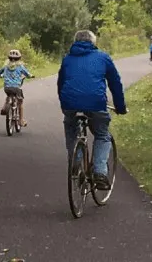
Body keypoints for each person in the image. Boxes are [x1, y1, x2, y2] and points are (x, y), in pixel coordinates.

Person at [57, 30, 127, 190]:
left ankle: (75, 163)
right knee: (102, 134)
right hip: (96, 103)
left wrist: (65, 105)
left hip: (70, 104)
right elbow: (115, 84)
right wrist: (121, 107)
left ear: (75, 42)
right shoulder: (103, 58)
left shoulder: (67, 59)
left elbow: (60, 84)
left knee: (71, 127)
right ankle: (100, 173)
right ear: (93, 42)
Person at [0, 49, 34, 127]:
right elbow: (27, 74)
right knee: (20, 102)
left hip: (7, 88)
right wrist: (31, 76)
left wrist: (0, 76)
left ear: (9, 58)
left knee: (8, 95)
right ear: (19, 58)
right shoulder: (20, 67)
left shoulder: (6, 66)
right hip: (16, 88)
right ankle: (21, 120)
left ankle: (4, 108)